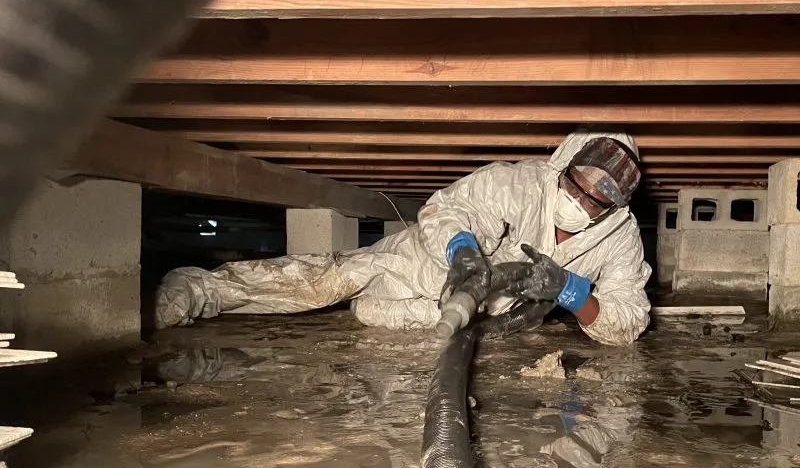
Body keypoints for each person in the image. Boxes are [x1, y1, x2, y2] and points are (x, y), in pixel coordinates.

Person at [155, 129, 652, 346]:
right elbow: (449, 208)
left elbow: (627, 323)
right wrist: (463, 255)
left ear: (615, 207)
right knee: (327, 281)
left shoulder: (620, 238)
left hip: (455, 315)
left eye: (596, 202)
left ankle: (373, 311)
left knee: (370, 319)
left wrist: (570, 288)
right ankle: (201, 288)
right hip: (419, 264)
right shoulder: (519, 182)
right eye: (575, 187)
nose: (580, 204)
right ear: (561, 167)